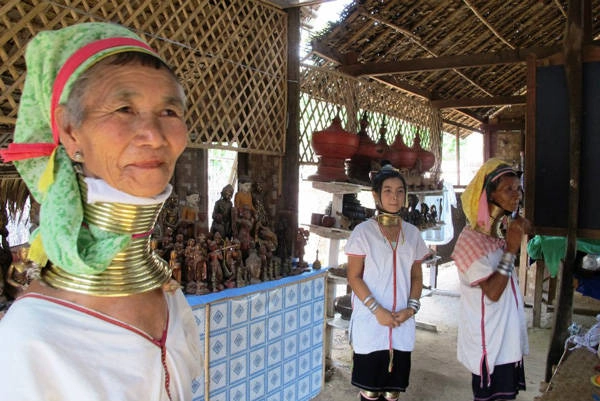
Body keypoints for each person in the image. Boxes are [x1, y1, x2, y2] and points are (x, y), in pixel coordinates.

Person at [0, 22, 203, 400]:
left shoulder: (170, 298)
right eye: (124, 108)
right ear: (71, 130)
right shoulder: (32, 339)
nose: (154, 135)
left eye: (170, 111)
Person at [345, 161, 430, 401]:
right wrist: (377, 310)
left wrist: (412, 308)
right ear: (376, 196)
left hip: (402, 322)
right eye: (388, 191)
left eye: (400, 191)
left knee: (393, 392)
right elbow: (354, 277)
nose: (395, 197)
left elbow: (416, 275)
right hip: (372, 323)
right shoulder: (363, 232)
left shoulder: (412, 234)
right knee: (370, 391)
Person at [451, 158, 530, 401]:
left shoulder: (498, 233)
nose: (516, 195)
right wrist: (511, 250)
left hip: (507, 338)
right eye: (508, 189)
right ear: (489, 194)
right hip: (490, 344)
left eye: (518, 189)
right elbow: (493, 292)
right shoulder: (471, 241)